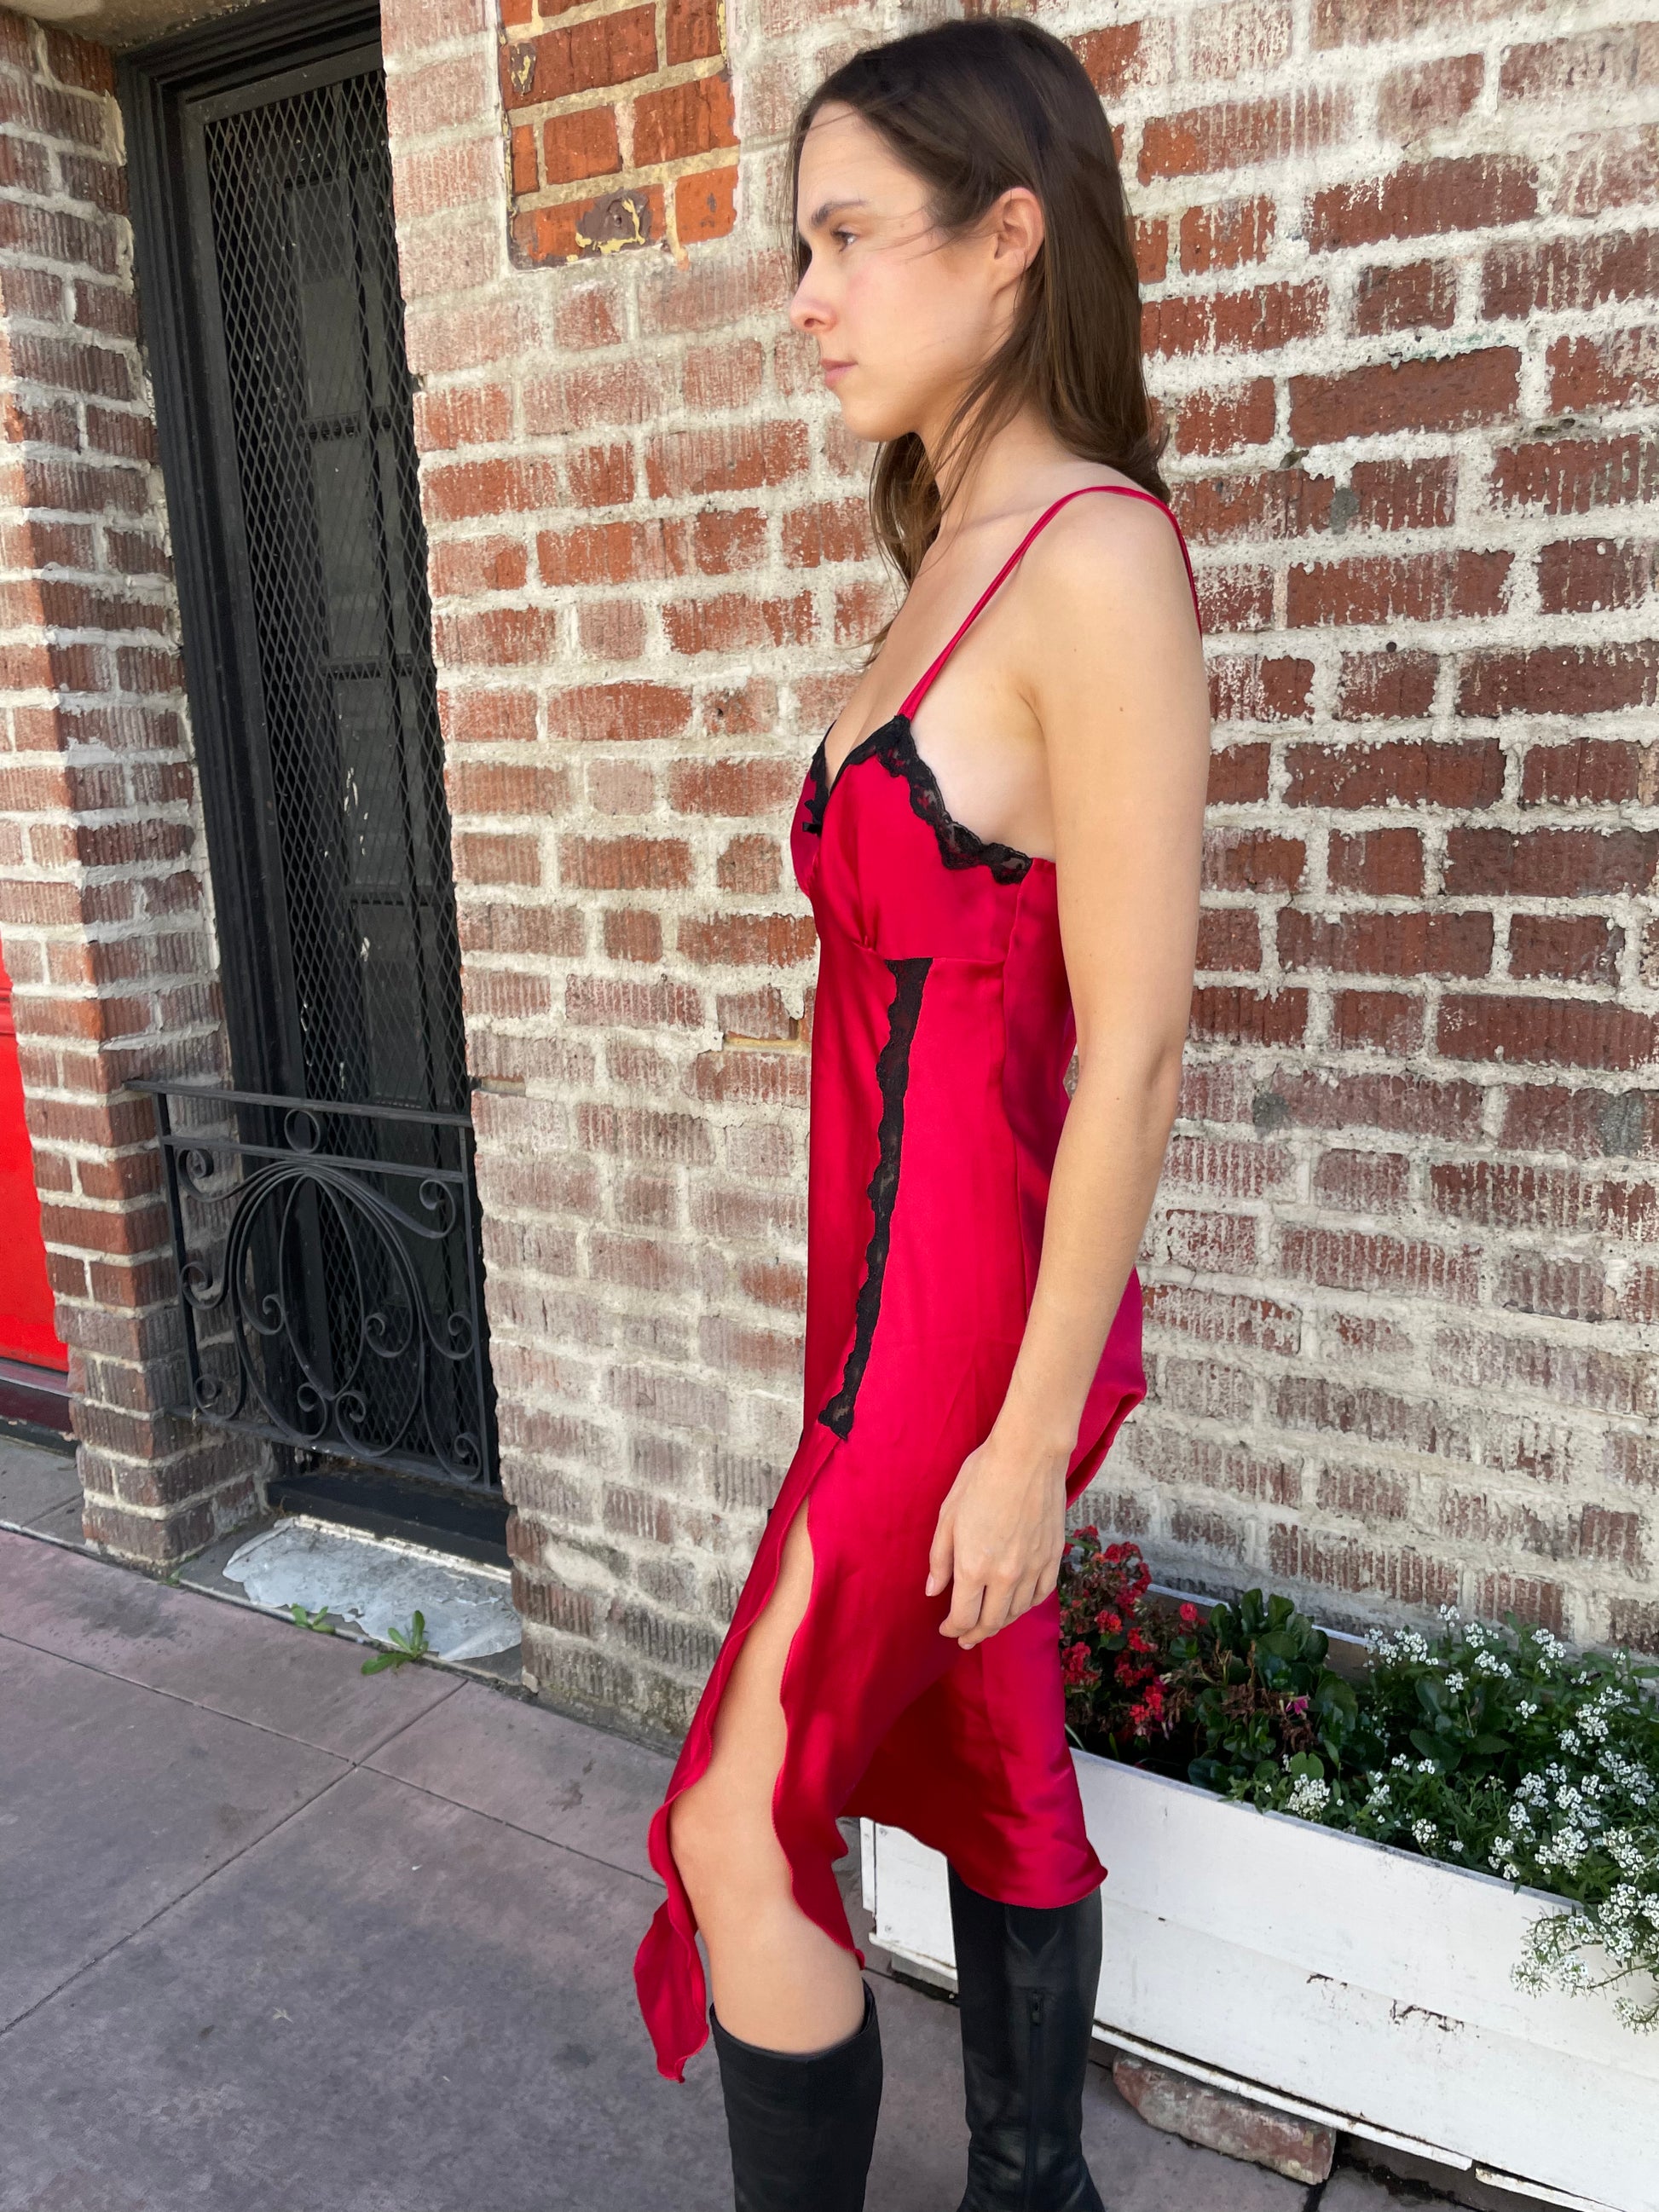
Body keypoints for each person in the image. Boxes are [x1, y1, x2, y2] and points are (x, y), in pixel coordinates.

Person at [633, 16, 1211, 2209]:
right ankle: (1026, 2179)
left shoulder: (1094, 553)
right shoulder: (948, 537)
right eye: (804, 243)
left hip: (960, 1336)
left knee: (734, 1809)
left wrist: (1023, 1438)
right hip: (880, 1306)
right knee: (985, 1735)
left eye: (848, 237)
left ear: (1009, 239)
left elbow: (1135, 1041)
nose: (804, 291)